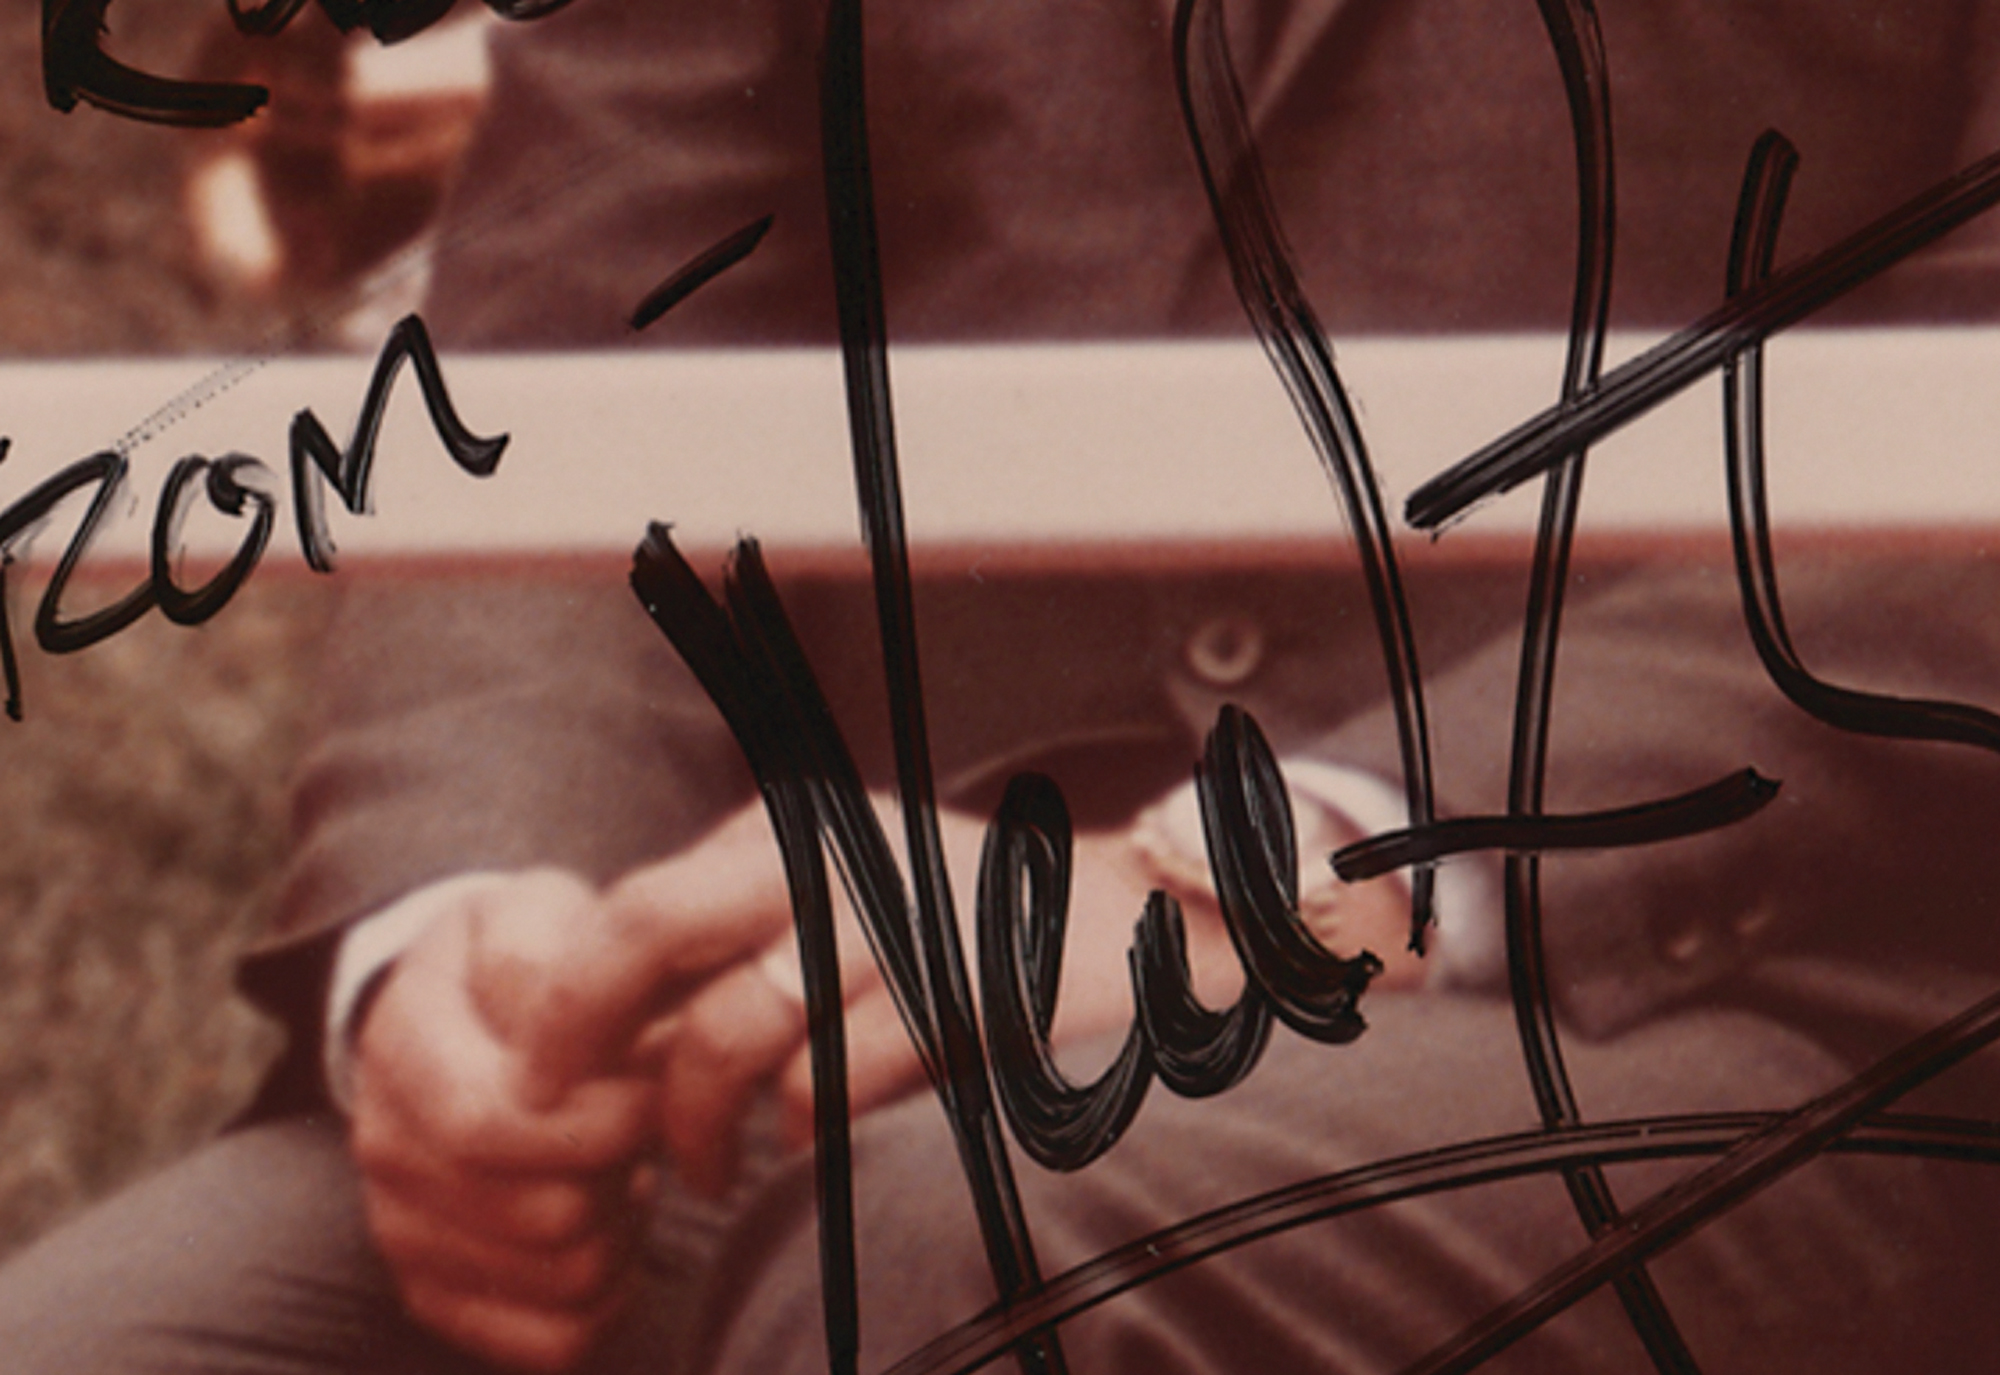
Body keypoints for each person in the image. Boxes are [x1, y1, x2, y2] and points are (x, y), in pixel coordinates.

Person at [3, 2, 2000, 1373]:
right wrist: (470, 927)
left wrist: (1278, 871)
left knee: (965, 1260)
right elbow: (580, 346)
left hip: (1731, 1004)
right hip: (811, 1034)